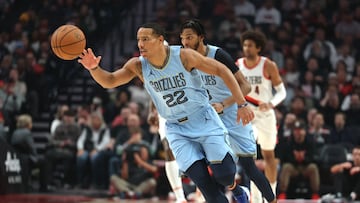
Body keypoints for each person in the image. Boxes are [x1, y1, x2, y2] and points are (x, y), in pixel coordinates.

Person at [78, 22, 254, 203]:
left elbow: (221, 70)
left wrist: (242, 104)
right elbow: (110, 80)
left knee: (224, 176)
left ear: (160, 40)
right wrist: (93, 68)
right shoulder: (138, 65)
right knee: (206, 187)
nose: (140, 44)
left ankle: (236, 189)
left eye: (145, 39)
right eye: (138, 39)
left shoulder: (184, 56)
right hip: (177, 128)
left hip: (203, 118)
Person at [180, 19, 276, 203]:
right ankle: (237, 190)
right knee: (213, 167)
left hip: (233, 114)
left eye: (189, 37)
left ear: (201, 37)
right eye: (182, 38)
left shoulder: (218, 55)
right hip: (210, 118)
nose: (185, 42)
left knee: (249, 167)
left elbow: (246, 86)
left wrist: (224, 104)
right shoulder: (185, 60)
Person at [236, 30, 286, 201]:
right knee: (251, 157)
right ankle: (256, 198)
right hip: (247, 116)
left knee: (269, 157)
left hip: (265, 116)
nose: (246, 48)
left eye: (250, 45)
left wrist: (271, 103)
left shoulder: (268, 65)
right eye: (244, 45)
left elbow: (282, 92)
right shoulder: (238, 65)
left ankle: (270, 193)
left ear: (258, 48)